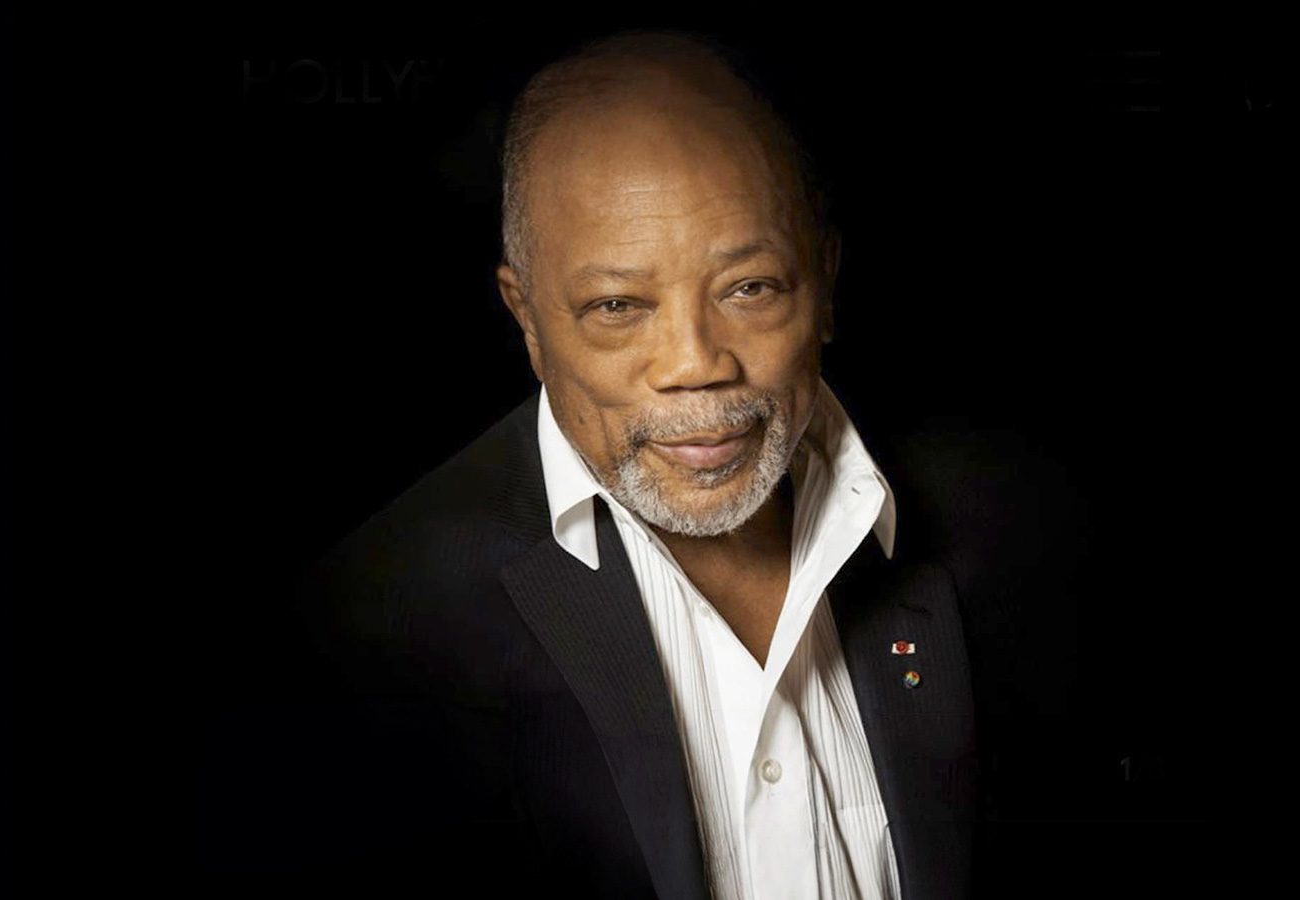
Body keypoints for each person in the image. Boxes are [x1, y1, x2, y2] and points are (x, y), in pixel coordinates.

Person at [269, 27, 1084, 900]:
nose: (696, 361)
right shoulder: (364, 641)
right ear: (528, 321)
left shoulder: (1018, 526)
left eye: (750, 289)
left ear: (826, 283)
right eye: (618, 306)